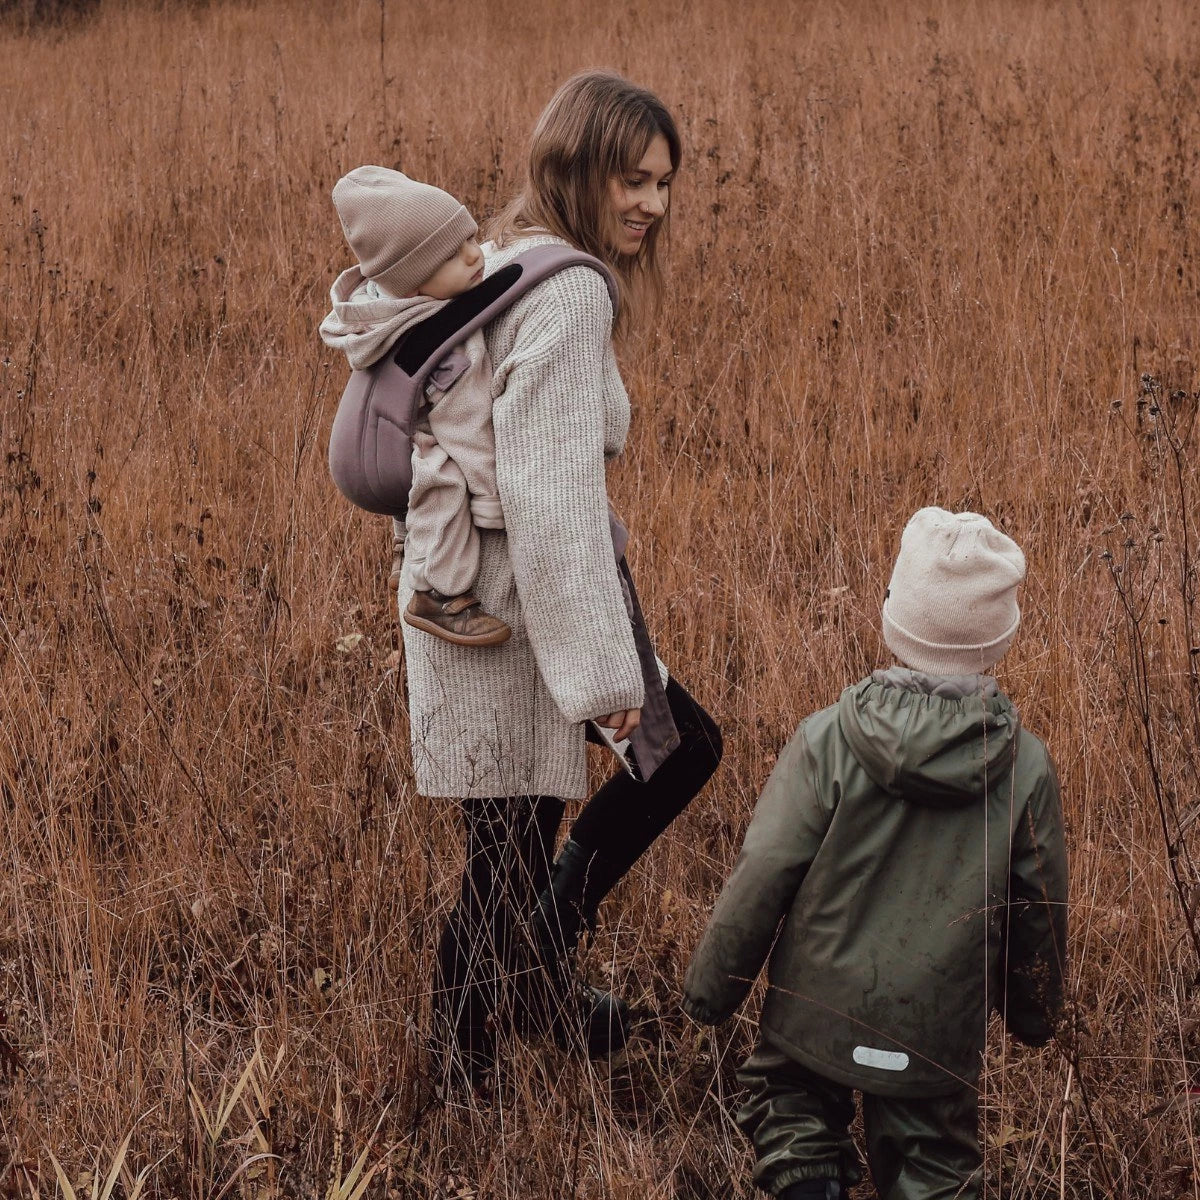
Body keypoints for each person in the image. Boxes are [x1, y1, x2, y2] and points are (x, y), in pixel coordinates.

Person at [397, 70, 723, 1085]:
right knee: (659, 759)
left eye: (664, 184)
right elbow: (551, 510)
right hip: (513, 610)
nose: (652, 205)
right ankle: (476, 1055)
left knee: (506, 848)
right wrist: (608, 693)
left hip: (466, 595)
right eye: (632, 179)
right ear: (575, 168)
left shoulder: (496, 261)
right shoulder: (570, 292)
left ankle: (499, 1022)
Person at [683, 508, 1068, 1200]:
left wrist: (713, 988)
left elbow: (765, 867)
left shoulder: (827, 739)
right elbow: (1037, 903)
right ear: (1001, 639)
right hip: (936, 1040)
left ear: (892, 614)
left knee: (790, 1110)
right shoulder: (1026, 768)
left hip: (813, 1016)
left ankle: (809, 1182)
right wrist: (1034, 1015)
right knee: (936, 1166)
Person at [320, 165, 511, 647]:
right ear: (414, 277)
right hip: (403, 450)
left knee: (418, 465)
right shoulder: (447, 341)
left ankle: (405, 550)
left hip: (375, 442)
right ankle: (438, 594)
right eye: (452, 254)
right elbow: (466, 423)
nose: (475, 255)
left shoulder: (380, 309)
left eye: (471, 237)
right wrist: (490, 499)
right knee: (442, 481)